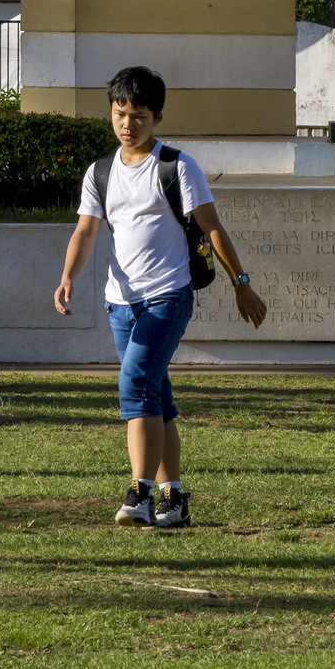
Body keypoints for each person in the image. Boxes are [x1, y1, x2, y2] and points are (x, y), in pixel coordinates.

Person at [54, 65, 266, 530]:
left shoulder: (177, 167)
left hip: (168, 297)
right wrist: (69, 276)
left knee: (134, 385)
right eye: (120, 114)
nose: (128, 124)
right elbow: (86, 230)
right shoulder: (101, 172)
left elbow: (212, 228)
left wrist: (241, 284)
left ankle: (140, 493)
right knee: (156, 394)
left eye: (139, 115)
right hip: (120, 303)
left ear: (158, 116)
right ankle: (173, 498)